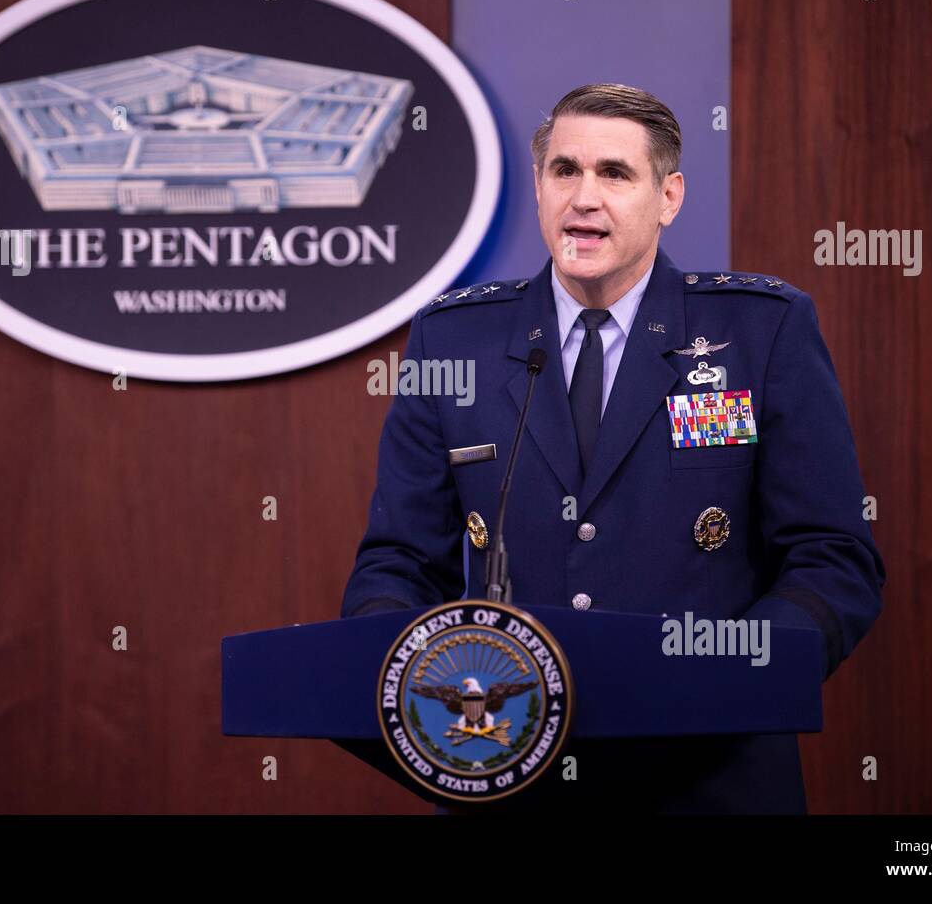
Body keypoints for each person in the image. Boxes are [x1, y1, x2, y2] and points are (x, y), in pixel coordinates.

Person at [340, 83, 885, 813]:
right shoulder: (453, 341)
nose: (584, 198)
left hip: (709, 778)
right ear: (538, 188)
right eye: (564, 171)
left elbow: (833, 559)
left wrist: (726, 676)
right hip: (508, 770)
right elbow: (397, 562)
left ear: (669, 196)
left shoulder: (762, 331)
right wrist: (419, 680)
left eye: (615, 174)